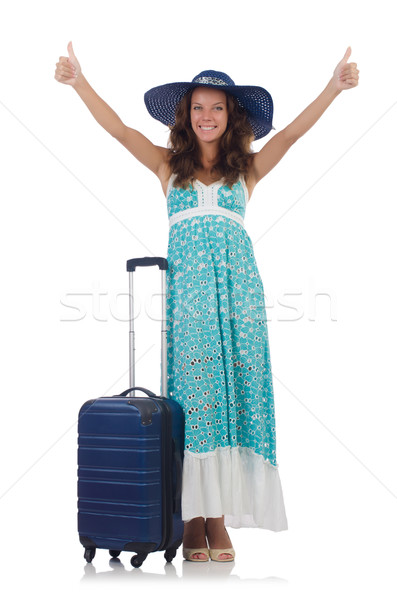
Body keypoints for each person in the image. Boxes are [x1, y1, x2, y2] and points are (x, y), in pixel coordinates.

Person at [55, 43, 359, 562]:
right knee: (197, 406)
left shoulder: (247, 174)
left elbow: (290, 135)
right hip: (190, 310)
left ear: (231, 116)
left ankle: (217, 522)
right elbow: (122, 131)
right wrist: (80, 82)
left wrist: (332, 87)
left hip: (238, 302)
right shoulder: (167, 168)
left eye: (217, 106)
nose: (207, 115)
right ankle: (193, 521)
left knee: (235, 401)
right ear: (185, 115)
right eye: (198, 106)